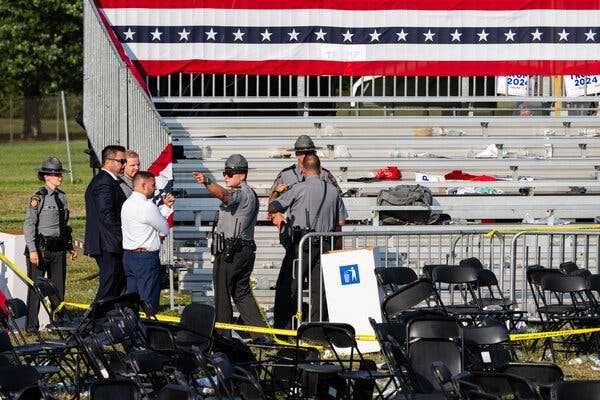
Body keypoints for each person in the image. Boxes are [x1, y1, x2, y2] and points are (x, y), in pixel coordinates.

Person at [192, 154, 267, 337]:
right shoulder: (248, 193)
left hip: (232, 250)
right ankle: (261, 335)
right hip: (242, 249)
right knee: (241, 293)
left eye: (229, 173)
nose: (226, 176)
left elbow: (224, 196)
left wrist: (207, 182)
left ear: (242, 175)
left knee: (222, 292)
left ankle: (222, 335)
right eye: (224, 172)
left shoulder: (241, 193)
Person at [269, 154, 347, 323]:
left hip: (302, 244)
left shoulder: (299, 188)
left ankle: (283, 329)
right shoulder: (333, 191)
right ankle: (317, 329)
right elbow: (340, 222)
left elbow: (274, 207)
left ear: (303, 170)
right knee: (319, 289)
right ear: (320, 169)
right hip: (326, 244)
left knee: (288, 285)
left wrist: (276, 192)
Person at [23, 157, 76, 332]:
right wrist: (32, 250)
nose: (60, 177)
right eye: (56, 174)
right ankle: (31, 325)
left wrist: (69, 247)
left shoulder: (62, 197)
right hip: (40, 248)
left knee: (58, 288)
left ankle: (58, 322)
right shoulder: (38, 197)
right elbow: (29, 224)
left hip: (58, 249)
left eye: (60, 174)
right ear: (46, 176)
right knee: (36, 289)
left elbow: (64, 226)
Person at [121, 171, 174, 314]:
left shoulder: (126, 204)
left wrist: (164, 208)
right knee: (148, 301)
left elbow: (150, 220)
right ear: (143, 185)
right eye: (153, 185)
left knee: (131, 301)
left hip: (129, 257)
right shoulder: (147, 206)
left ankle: (132, 332)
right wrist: (165, 210)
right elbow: (163, 228)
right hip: (146, 259)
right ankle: (147, 332)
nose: (155, 188)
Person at [84, 145, 128, 303]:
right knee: (108, 287)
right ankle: (94, 322)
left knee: (114, 285)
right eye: (121, 161)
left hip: (109, 242)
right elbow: (107, 215)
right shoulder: (104, 182)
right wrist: (122, 237)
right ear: (109, 161)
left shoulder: (110, 181)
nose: (124, 164)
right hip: (107, 243)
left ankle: (105, 320)